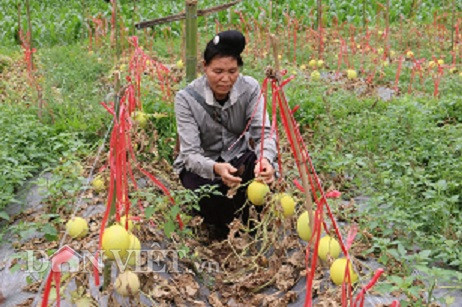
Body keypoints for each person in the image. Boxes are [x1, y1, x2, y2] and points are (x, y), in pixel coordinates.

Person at [173, 30, 277, 239]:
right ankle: (219, 228)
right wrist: (216, 168)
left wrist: (265, 160)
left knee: (259, 172)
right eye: (217, 71)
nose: (225, 79)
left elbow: (264, 132)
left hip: (237, 157)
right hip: (204, 164)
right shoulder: (186, 99)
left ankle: (250, 225)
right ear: (205, 67)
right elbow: (190, 154)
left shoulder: (250, 89)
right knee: (205, 194)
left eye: (232, 71)